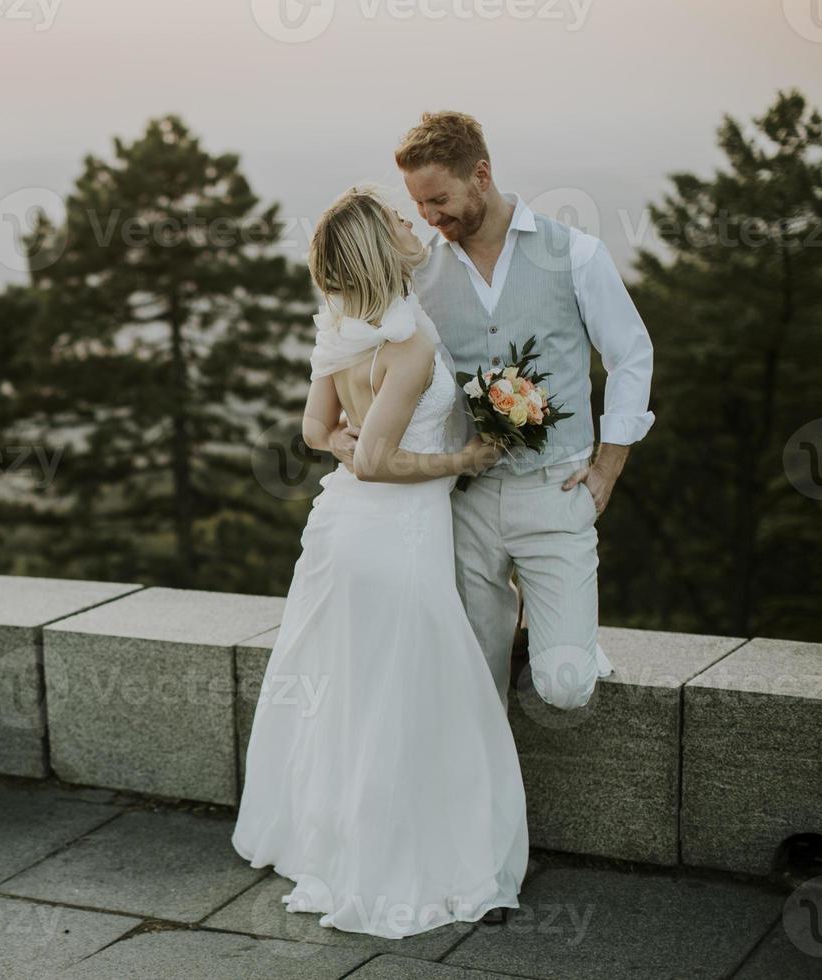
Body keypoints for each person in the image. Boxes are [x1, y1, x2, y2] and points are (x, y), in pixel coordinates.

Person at [230, 184, 529, 939]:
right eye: (397, 219)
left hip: (340, 533)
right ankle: (398, 858)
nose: (410, 221)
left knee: (350, 691)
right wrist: (463, 455)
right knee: (410, 692)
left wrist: (352, 449)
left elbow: (312, 430)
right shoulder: (408, 343)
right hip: (394, 537)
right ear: (379, 247)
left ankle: (334, 839)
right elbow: (375, 460)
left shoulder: (343, 327)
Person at [331, 111, 655, 710]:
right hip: (462, 501)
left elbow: (631, 356)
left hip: (555, 490)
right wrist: (342, 436)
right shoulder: (419, 274)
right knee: (474, 686)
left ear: (480, 175)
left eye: (439, 200)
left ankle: (553, 631)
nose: (429, 217)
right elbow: (364, 356)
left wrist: (609, 466)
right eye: (418, 205)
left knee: (565, 688)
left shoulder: (575, 253)